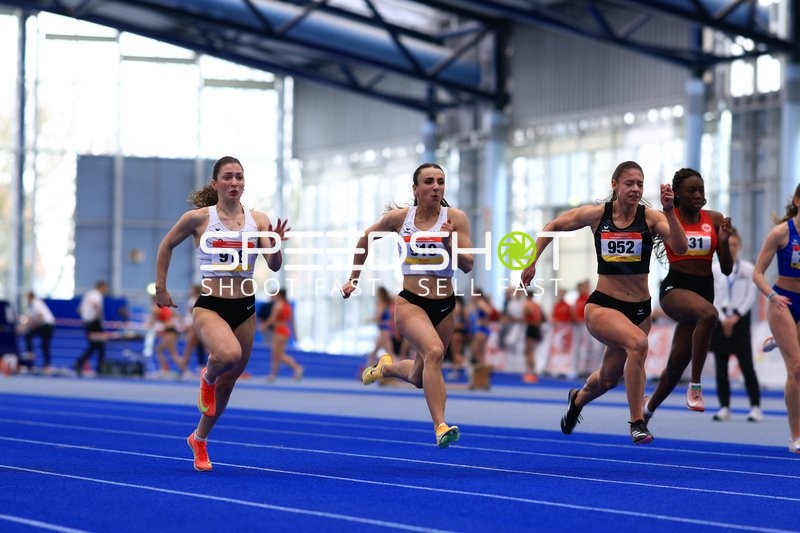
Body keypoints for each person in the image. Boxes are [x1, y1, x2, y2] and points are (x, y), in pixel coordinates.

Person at [521, 160, 687, 444]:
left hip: (639, 310)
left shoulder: (651, 218)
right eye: (629, 183)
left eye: (640, 184)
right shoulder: (598, 216)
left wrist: (670, 211)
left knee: (609, 378)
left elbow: (681, 247)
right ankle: (637, 421)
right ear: (615, 185)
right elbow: (554, 225)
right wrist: (532, 261)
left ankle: (577, 400)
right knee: (638, 344)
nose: (635, 189)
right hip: (603, 306)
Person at [154, 155, 288, 471]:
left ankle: (199, 440)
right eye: (228, 177)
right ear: (216, 184)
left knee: (229, 383)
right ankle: (207, 374)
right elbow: (166, 245)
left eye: (239, 177)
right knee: (227, 355)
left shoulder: (260, 219)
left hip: (245, 307)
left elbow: (275, 265)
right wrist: (161, 288)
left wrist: (277, 244)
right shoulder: (199, 218)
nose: (234, 182)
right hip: (211, 305)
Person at [341, 162, 473, 448]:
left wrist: (450, 243)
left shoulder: (457, 219)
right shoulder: (400, 219)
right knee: (435, 352)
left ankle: (386, 368)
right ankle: (440, 426)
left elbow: (467, 265)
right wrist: (354, 277)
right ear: (415, 189)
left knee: (418, 377)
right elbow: (366, 237)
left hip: (445, 305)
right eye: (428, 182)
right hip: (411, 302)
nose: (435, 187)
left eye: (440, 181)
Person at [643, 168, 733, 421]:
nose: (698, 194)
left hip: (704, 289)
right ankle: (695, 385)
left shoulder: (715, 219)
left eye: (701, 190)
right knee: (709, 315)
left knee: (674, 366)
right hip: (675, 288)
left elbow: (726, 269)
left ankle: (647, 410)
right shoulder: (667, 218)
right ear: (678, 195)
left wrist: (724, 242)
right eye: (691, 190)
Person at [752, 183, 800, 453]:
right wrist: (772, 296)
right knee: (796, 367)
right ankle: (796, 435)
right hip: (782, 301)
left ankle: (782, 339)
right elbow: (757, 273)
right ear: (797, 201)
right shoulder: (781, 233)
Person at [709, 228, 762, 422]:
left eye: (734, 245)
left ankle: (755, 407)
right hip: (721, 320)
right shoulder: (715, 269)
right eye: (727, 245)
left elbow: (751, 295)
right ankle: (724, 407)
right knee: (721, 367)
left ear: (739, 246)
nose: (731, 248)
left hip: (740, 320)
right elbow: (712, 295)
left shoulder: (748, 269)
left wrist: (736, 316)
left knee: (747, 366)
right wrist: (724, 319)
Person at [259, 289, 303, 382]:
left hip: (279, 331)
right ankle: (273, 374)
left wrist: (264, 325)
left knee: (278, 355)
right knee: (277, 354)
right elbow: (292, 322)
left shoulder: (278, 305)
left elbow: (272, 319)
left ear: (279, 296)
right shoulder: (288, 306)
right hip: (285, 331)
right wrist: (295, 334)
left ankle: (296, 367)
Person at [74, 280, 108, 376]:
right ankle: (99, 368)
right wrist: (99, 319)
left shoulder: (88, 295)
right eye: (105, 288)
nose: (106, 290)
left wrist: (85, 319)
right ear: (100, 287)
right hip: (95, 323)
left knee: (94, 346)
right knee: (100, 345)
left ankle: (81, 363)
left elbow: (79, 309)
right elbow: (96, 306)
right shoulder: (97, 295)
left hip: (88, 323)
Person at [21, 291, 55, 373]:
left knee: (44, 345)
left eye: (27, 297)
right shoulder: (32, 305)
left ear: (30, 297)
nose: (26, 299)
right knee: (41, 343)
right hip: (45, 325)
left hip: (47, 326)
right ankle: (32, 359)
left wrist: (30, 325)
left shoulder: (36, 302)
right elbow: (30, 319)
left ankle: (45, 364)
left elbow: (40, 316)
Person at [180, 284, 207, 373]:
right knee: (200, 347)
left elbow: (194, 313)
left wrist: (191, 325)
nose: (190, 291)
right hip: (194, 325)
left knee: (191, 347)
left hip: (195, 326)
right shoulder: (194, 299)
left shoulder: (196, 300)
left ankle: (183, 368)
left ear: (195, 290)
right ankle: (199, 366)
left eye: (192, 290)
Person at [366, 286, 395, 367]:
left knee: (377, 352)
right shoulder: (386, 302)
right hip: (385, 329)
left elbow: (379, 317)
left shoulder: (381, 303)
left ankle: (367, 370)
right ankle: (368, 369)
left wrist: (370, 320)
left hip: (384, 331)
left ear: (380, 293)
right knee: (387, 352)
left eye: (377, 292)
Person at [522, 290, 544, 383]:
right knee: (529, 351)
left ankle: (531, 373)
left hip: (532, 328)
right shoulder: (537, 305)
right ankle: (531, 372)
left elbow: (529, 313)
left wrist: (525, 315)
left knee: (529, 352)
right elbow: (542, 317)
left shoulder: (528, 304)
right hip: (536, 328)